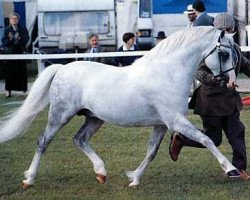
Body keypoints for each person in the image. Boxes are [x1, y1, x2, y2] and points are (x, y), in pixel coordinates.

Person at [169, 13, 250, 180]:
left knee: (237, 133)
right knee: (214, 138)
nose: (228, 32)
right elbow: (199, 72)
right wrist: (216, 79)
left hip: (230, 101)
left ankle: (239, 168)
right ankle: (182, 138)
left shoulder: (234, 48)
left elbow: (245, 66)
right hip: (210, 101)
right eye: (224, 29)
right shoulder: (207, 49)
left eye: (229, 29)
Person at [1, 13, 29, 97]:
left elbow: (27, 39)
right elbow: (4, 42)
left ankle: (24, 90)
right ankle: (8, 91)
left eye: (16, 18)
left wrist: (20, 39)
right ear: (10, 20)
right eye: (12, 18)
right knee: (9, 73)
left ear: (18, 20)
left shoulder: (23, 29)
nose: (14, 20)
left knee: (22, 72)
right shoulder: (7, 30)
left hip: (20, 52)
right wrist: (10, 39)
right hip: (10, 53)